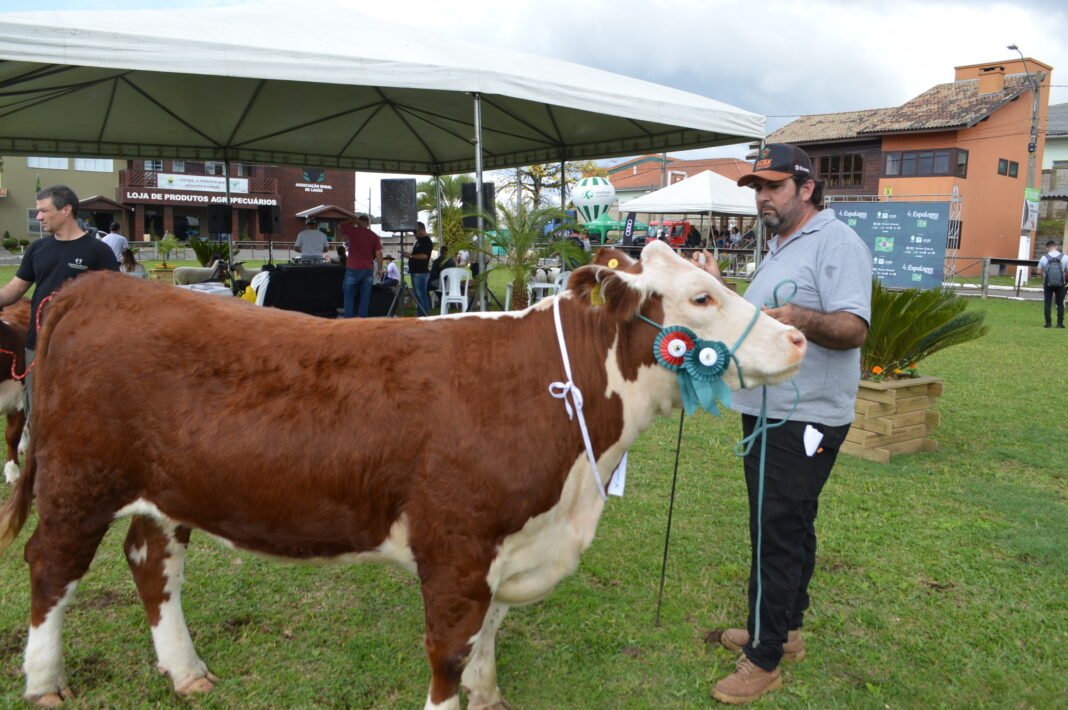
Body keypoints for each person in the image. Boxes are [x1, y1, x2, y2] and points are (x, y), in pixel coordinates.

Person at [693, 144, 872, 704]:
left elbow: (853, 328)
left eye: (772, 187)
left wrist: (798, 318)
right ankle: (784, 629)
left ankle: (764, 658)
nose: (762, 198)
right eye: (756, 189)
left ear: (806, 188)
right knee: (789, 525)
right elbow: (752, 321)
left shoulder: (837, 243)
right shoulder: (779, 246)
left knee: (777, 531)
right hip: (769, 412)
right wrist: (720, 288)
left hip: (806, 416)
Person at [0, 185, 120, 429]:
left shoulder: (98, 251)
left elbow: (114, 301)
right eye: (38, 211)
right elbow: (15, 289)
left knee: (79, 412)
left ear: (66, 210)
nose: (39, 217)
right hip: (38, 345)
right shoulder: (37, 249)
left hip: (80, 348)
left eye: (44, 211)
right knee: (38, 413)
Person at [339, 215, 383, 318]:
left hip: (353, 268)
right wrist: (380, 269)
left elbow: (339, 226)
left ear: (359, 222)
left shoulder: (353, 231)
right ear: (368, 223)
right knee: (365, 295)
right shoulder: (374, 236)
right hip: (367, 269)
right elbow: (379, 254)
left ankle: (349, 317)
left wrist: (351, 221)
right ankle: (362, 318)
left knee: (349, 294)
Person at [404, 221, 433, 316]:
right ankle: (421, 313)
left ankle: (424, 314)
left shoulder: (426, 241)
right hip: (415, 271)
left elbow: (424, 256)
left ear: (420, 230)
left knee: (421, 295)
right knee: (417, 295)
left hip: (421, 272)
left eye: (415, 232)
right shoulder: (419, 241)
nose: (414, 234)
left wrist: (411, 256)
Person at [1038, 239, 1066, 328]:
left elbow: (1038, 271)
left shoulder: (1044, 258)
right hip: (1061, 284)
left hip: (1047, 284)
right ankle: (1060, 323)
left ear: (1047, 248)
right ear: (1056, 247)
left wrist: (1044, 273)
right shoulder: (1065, 257)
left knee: (1047, 303)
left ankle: (1048, 323)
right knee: (1060, 303)